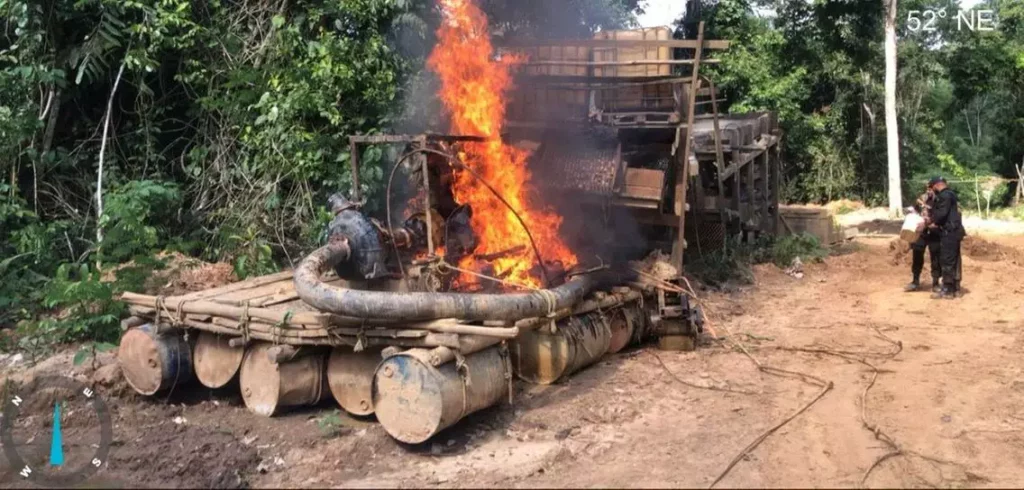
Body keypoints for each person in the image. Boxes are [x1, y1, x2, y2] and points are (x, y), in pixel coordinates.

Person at [925, 176, 965, 299]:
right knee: (953, 260)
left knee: (947, 260)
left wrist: (931, 221)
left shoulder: (944, 196)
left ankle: (947, 290)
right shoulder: (951, 194)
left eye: (932, 188)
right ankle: (953, 288)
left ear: (936, 185)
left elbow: (942, 213)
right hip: (954, 231)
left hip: (949, 232)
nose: (932, 190)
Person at [905, 185, 941, 292]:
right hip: (921, 232)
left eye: (931, 189)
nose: (929, 192)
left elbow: (942, 215)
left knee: (935, 257)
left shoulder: (940, 200)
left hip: (934, 231)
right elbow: (914, 211)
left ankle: (935, 283)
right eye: (927, 189)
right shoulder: (922, 199)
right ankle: (915, 281)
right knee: (917, 254)